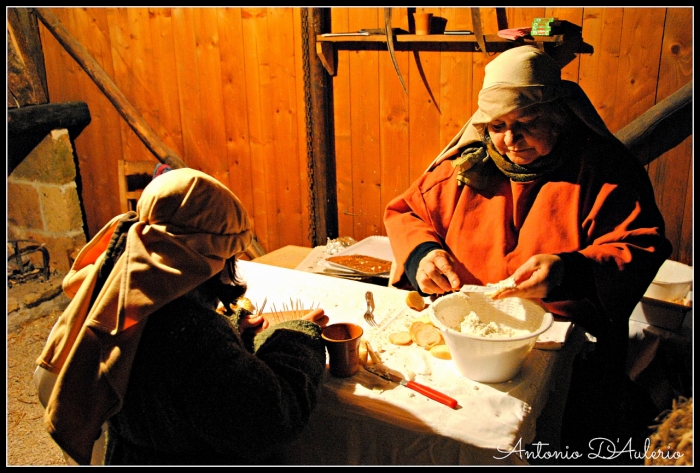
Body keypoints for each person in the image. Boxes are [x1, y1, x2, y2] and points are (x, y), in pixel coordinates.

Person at [384, 46, 672, 458]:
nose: (509, 139)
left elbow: (640, 244)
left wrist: (567, 270)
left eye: (526, 123)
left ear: (559, 118)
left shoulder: (602, 169)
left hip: (569, 356)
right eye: (496, 125)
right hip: (471, 345)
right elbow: (408, 212)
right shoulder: (471, 164)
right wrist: (423, 254)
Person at [35, 168, 328, 465]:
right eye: (232, 257)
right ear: (209, 258)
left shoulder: (120, 288)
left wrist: (229, 329)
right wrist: (297, 337)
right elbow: (270, 421)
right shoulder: (190, 333)